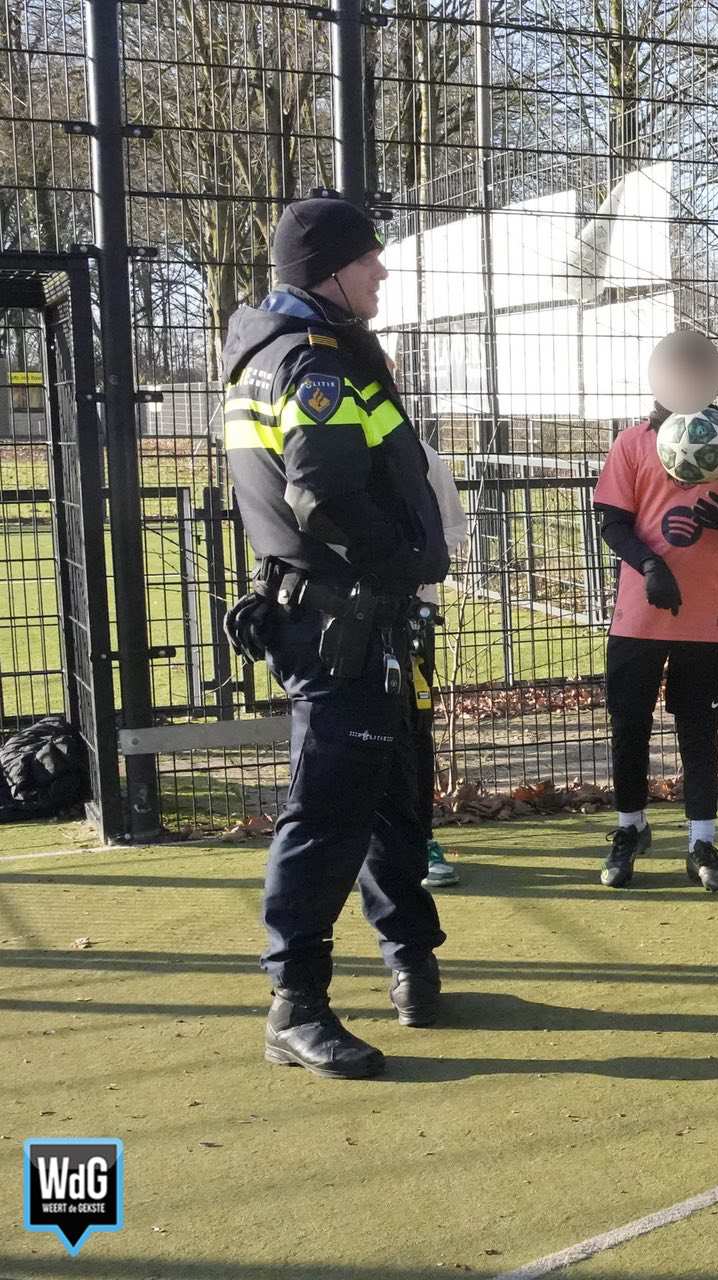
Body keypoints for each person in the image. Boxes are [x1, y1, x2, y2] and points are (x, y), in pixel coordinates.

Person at [219, 194, 450, 1079]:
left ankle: (410, 957)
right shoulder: (314, 362)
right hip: (340, 619)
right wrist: (400, 560)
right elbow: (322, 491)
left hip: (348, 616)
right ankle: (297, 1006)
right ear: (329, 270)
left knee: (394, 794)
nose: (383, 271)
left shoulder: (280, 352)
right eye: (370, 259)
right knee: (330, 815)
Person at [592, 336, 718, 892]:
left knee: (699, 730)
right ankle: (630, 829)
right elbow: (611, 520)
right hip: (639, 619)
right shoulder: (632, 443)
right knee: (630, 726)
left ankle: (701, 841)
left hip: (707, 620)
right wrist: (649, 565)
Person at [414, 439, 472, 890]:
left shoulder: (420, 454)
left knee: (413, 731)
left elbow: (452, 530)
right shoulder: (320, 443)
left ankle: (418, 840)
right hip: (334, 623)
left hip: (411, 621)